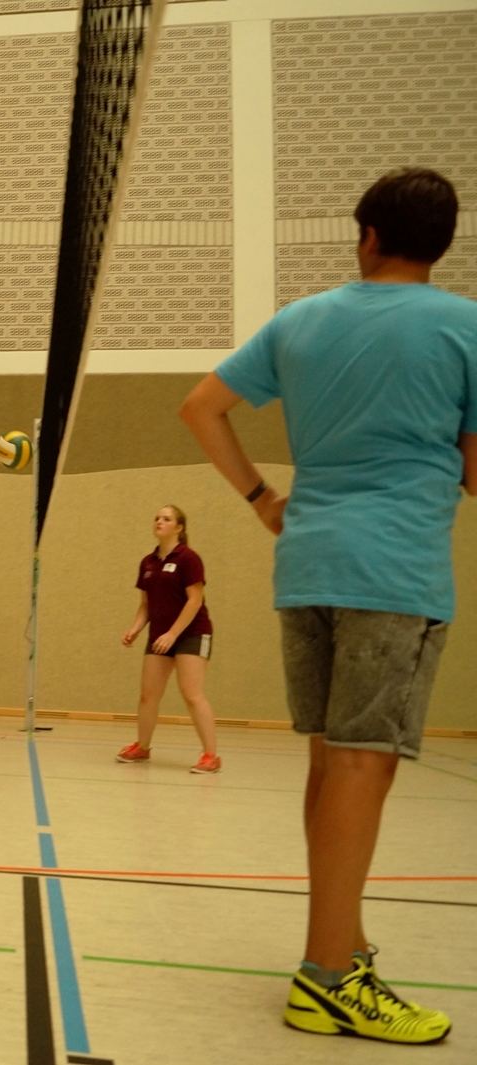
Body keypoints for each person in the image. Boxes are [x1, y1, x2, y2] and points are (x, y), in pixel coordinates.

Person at [180, 168, 475, 1044]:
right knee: (361, 766)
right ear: (442, 245)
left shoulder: (300, 320)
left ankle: (341, 946)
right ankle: (328, 978)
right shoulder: (465, 326)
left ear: (368, 235)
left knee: (329, 761)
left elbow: (201, 408)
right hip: (393, 571)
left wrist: (260, 498)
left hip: (306, 563)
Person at [116, 505, 220, 772]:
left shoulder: (188, 558)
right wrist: (135, 629)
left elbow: (195, 600)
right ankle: (142, 747)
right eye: (157, 518)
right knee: (148, 695)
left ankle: (211, 755)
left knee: (191, 693)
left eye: (166, 518)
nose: (159, 522)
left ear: (179, 527)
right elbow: (146, 604)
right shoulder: (147, 563)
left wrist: (173, 634)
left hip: (191, 633)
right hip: (159, 636)